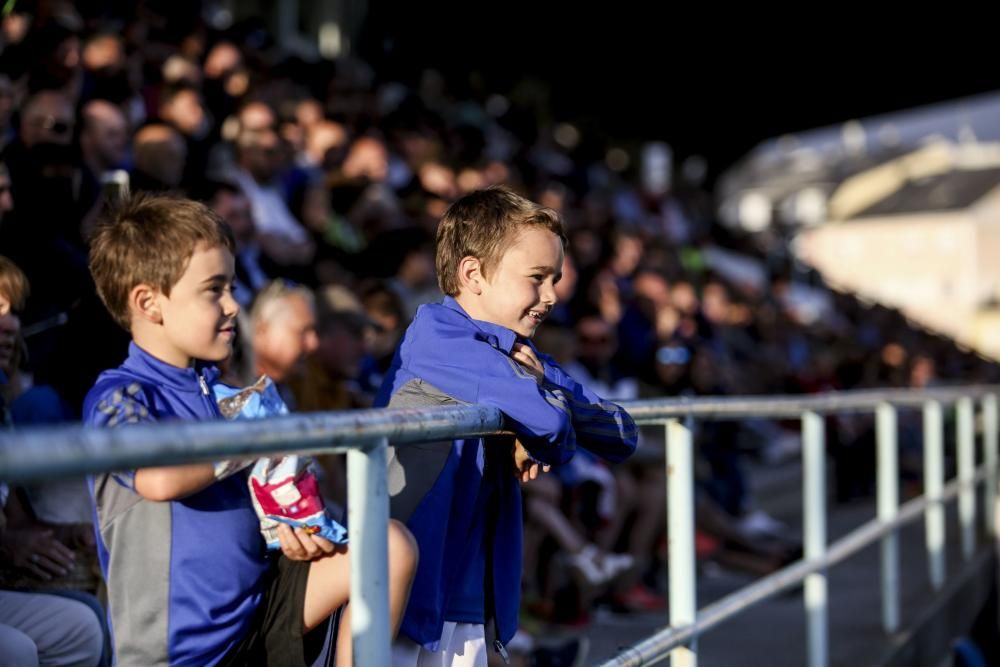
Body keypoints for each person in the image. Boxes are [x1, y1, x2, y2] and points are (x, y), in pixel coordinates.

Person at [83, 193, 416, 666]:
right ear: (148, 302)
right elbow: (156, 478)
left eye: (232, 287)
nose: (234, 306)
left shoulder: (222, 391)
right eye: (213, 290)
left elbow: (268, 496)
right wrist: (248, 440)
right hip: (178, 653)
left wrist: (297, 528)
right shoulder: (120, 396)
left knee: (390, 545)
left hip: (257, 609)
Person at [376, 185, 637, 665]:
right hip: (409, 592)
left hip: (466, 589)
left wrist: (533, 408)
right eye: (537, 278)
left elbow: (621, 433)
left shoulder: (520, 354)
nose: (552, 296)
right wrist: (532, 417)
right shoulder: (436, 336)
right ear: (472, 273)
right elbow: (554, 426)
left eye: (554, 279)